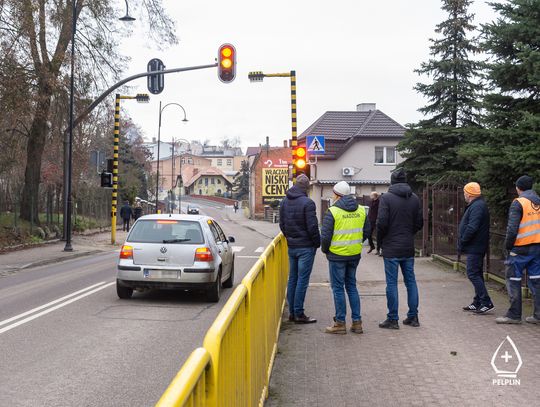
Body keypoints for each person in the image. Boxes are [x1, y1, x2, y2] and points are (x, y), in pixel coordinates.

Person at [321, 181, 370, 334]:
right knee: (352, 287)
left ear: (336, 195)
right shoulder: (361, 210)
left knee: (338, 288)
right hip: (354, 255)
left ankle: (340, 323)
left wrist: (325, 250)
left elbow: (326, 236)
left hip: (336, 256)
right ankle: (357, 322)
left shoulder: (333, 211)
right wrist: (356, 244)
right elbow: (367, 231)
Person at [377, 168, 423, 329]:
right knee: (411, 281)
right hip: (408, 247)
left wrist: (381, 241)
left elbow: (381, 223)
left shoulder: (386, 198)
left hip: (391, 247)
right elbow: (419, 223)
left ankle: (393, 319)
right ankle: (413, 316)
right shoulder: (415, 198)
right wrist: (409, 233)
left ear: (392, 181)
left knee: (391, 283)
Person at [496, 175, 540, 324]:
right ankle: (538, 315)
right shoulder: (538, 201)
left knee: (513, 280)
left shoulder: (518, 203)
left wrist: (508, 246)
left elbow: (512, 229)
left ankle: (514, 315)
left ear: (518, 188)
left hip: (520, 249)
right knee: (536, 281)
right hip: (537, 249)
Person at [279, 174, 321, 324]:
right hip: (306, 247)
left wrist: (289, 237)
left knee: (293, 279)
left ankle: (292, 312)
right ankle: (299, 313)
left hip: (292, 246)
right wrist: (317, 243)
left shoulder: (284, 202)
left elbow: (282, 224)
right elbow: (312, 226)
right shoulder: (308, 203)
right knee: (302, 280)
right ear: (307, 187)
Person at [458, 182, 494, 314]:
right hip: (476, 245)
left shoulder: (477, 206)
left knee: (472, 273)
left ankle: (486, 301)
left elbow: (472, 227)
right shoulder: (477, 205)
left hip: (475, 246)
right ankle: (477, 301)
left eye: (464, 193)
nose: (464, 195)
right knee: (477, 273)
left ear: (468, 193)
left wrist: (463, 240)